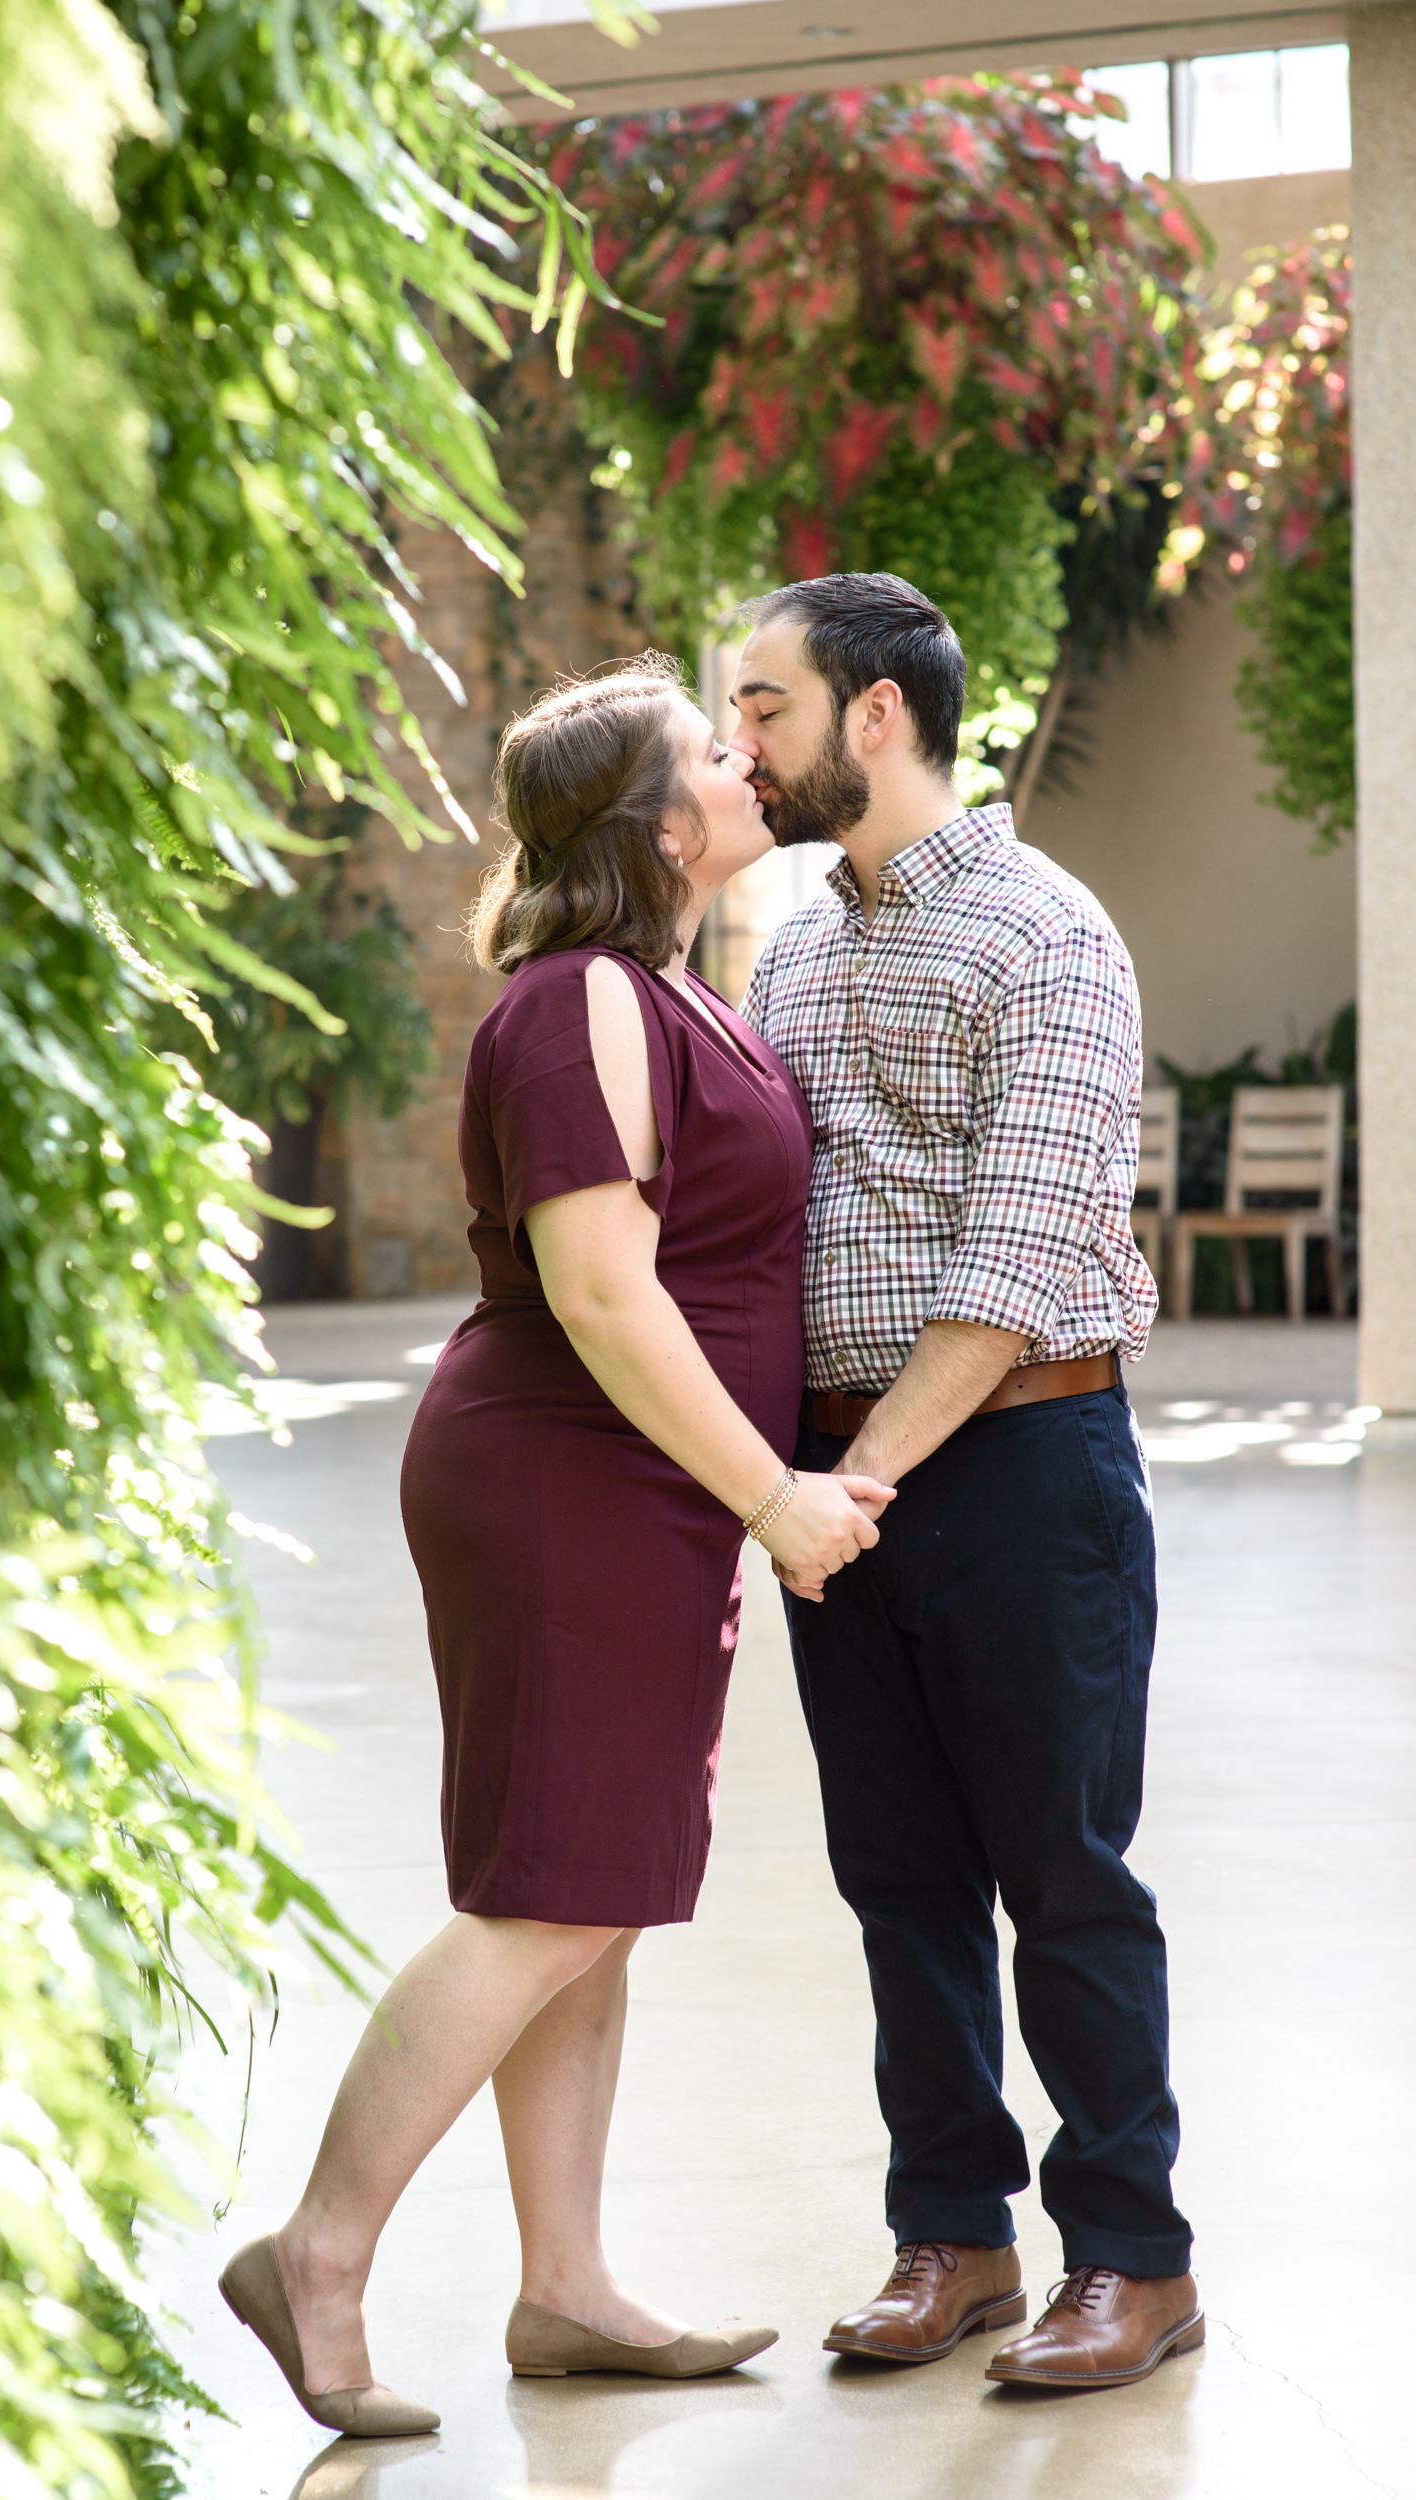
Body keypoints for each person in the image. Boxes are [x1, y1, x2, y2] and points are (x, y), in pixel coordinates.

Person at [217, 653, 893, 2437]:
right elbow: (599, 1289)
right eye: (715, 748)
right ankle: (321, 2254)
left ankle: (567, 2286)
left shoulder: (682, 988)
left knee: (588, 1895)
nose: (749, 763)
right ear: (655, 818)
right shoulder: (575, 997)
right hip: (565, 1473)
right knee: (549, 1891)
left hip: (640, 1485)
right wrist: (772, 1494)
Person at [732, 573, 1201, 2393]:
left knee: (1062, 1873)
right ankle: (952, 2240)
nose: (737, 744)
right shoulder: (795, 945)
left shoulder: (1046, 934)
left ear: (872, 715)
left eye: (761, 708)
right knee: (895, 1875)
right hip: (842, 1478)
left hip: (1019, 1465)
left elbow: (1011, 1269)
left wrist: (840, 1481)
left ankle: (1132, 2260)